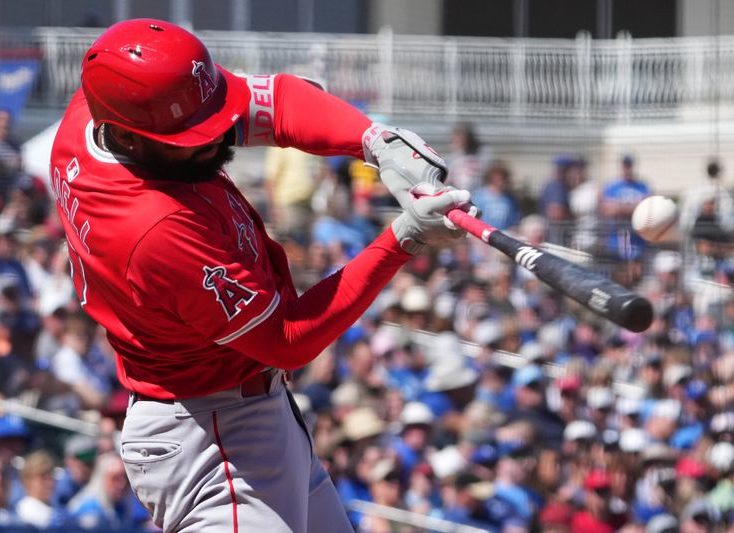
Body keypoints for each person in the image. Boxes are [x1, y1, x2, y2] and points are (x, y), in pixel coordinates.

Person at [49, 18, 476, 533]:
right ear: (126, 135)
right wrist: (403, 238)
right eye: (191, 137)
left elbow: (270, 102)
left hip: (244, 416)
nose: (214, 138)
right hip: (211, 439)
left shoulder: (93, 116)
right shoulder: (152, 228)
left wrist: (372, 139)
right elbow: (288, 339)